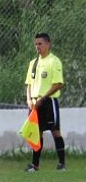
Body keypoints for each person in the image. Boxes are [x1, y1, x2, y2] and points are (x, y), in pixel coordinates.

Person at [24, 33, 66, 172]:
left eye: (40, 44)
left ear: (48, 44)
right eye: (36, 44)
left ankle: (61, 164)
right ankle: (35, 165)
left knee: (55, 131)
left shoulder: (54, 61)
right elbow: (29, 84)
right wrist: (29, 99)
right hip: (35, 103)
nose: (37, 46)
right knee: (37, 133)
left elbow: (58, 84)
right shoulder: (33, 63)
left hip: (48, 101)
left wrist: (43, 98)